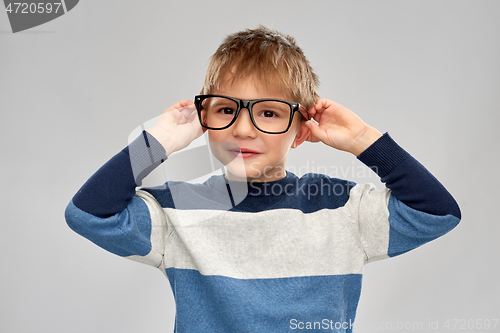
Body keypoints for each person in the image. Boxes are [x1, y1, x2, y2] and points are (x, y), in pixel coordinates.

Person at [65, 26, 461, 332]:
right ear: (205, 121)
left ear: (301, 130)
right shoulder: (178, 210)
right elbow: (90, 214)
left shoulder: (340, 207)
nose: (242, 129)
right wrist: (156, 143)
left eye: (269, 113)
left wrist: (363, 141)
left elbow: (436, 212)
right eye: (224, 110)